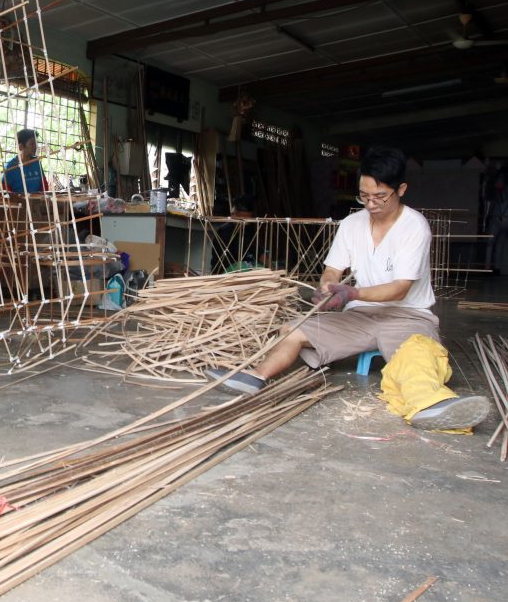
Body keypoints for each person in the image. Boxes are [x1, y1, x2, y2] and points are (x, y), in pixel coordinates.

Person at [206, 146, 490, 431]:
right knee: (293, 330)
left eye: (380, 196)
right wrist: (327, 287)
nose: (370, 204)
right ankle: (255, 377)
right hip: (359, 316)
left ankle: (428, 406)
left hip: (407, 316)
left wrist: (352, 293)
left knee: (417, 355)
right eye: (364, 196)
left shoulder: (414, 227)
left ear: (401, 189)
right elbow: (333, 268)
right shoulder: (352, 224)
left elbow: (400, 289)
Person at [2, 128, 49, 194]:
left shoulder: (36, 162)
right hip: (19, 202)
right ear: (21, 147)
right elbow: (5, 189)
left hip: (37, 201)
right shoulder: (11, 166)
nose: (35, 146)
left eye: (36, 143)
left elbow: (44, 184)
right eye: (32, 144)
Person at [483, 165, 508, 275]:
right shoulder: (495, 192)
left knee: (498, 244)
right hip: (496, 219)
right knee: (493, 243)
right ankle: (489, 267)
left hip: (500, 219)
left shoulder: (502, 191)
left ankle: (494, 267)